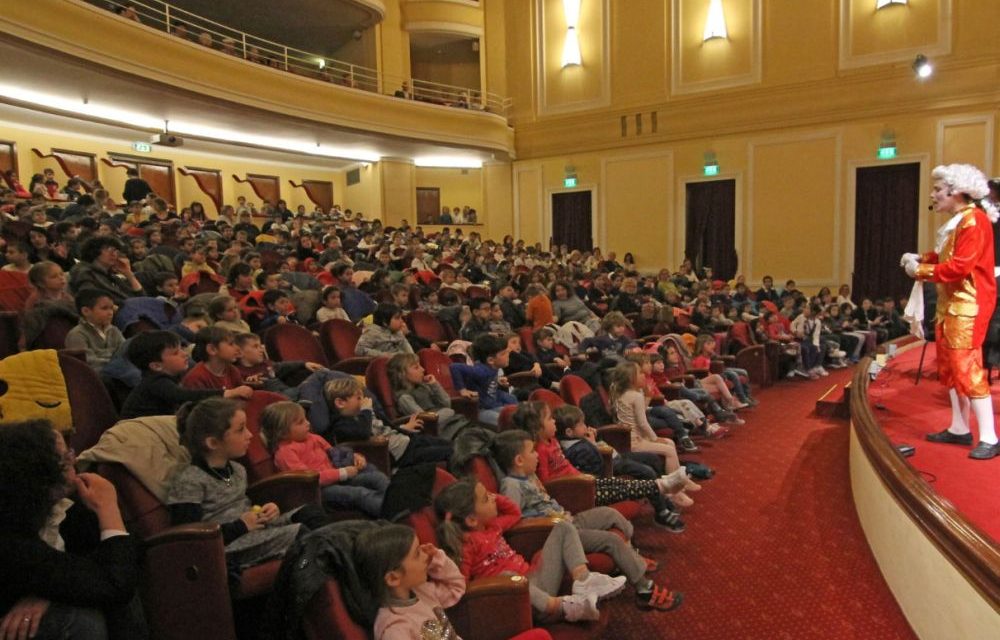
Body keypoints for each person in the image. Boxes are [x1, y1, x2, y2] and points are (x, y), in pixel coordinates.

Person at [494, 430, 683, 612]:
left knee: (611, 514)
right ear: (519, 460)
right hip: (554, 532)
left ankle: (631, 556)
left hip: (568, 518)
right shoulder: (511, 485)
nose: (536, 455)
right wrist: (551, 521)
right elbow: (515, 520)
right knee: (612, 540)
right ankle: (645, 590)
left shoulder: (529, 476)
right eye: (532, 452)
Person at [0, 420, 142, 640]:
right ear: (40, 477)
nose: (75, 460)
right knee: (81, 620)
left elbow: (124, 556)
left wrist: (53, 592)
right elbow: (115, 585)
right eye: (66, 459)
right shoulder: (11, 538)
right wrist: (108, 509)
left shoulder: (66, 507)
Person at [901, 163, 1000, 459]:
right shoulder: (960, 221)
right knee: (951, 367)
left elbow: (960, 266)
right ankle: (959, 428)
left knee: (966, 366)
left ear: (956, 191)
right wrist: (922, 258)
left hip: (967, 306)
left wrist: (919, 269)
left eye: (938, 190)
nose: (933, 195)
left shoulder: (974, 221)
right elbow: (949, 257)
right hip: (951, 306)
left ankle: (990, 436)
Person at [166, 399, 329, 570]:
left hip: (253, 531)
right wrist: (241, 526)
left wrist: (266, 509)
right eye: (240, 430)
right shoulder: (189, 480)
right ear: (213, 443)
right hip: (228, 546)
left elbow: (243, 506)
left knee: (311, 513)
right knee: (303, 534)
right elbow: (189, 539)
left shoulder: (237, 469)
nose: (250, 435)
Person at [434, 480, 624, 623]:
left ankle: (584, 580)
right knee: (508, 576)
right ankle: (563, 606)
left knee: (563, 527)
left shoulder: (492, 526)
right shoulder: (466, 546)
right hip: (522, 601)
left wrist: (490, 496)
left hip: (534, 579)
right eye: (486, 498)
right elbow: (462, 588)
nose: (493, 498)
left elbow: (514, 513)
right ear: (471, 520)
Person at [517, 401, 686, 530]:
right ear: (537, 427)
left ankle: (661, 486)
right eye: (549, 419)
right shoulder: (539, 449)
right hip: (574, 491)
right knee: (622, 487)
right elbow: (546, 481)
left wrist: (580, 475)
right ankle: (662, 486)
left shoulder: (552, 441)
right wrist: (578, 480)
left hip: (583, 480)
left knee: (620, 483)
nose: (553, 421)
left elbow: (566, 465)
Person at [261, 401, 389, 518]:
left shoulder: (313, 438)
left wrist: (354, 457)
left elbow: (336, 453)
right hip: (318, 492)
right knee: (359, 493)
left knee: (376, 477)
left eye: (305, 418)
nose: (308, 423)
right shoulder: (285, 452)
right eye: (300, 422)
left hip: (337, 479)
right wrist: (342, 473)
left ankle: (396, 502)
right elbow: (308, 479)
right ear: (282, 432)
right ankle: (390, 512)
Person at [606, 362, 699, 507]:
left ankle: (679, 483)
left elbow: (639, 417)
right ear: (631, 379)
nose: (644, 375)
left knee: (670, 443)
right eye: (640, 373)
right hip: (634, 441)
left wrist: (647, 395)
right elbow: (642, 423)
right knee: (668, 448)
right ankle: (673, 492)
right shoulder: (635, 395)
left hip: (629, 438)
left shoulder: (620, 392)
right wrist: (655, 439)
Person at [355, 524, 466, 640]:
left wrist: (436, 560)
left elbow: (456, 587)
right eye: (417, 553)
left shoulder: (422, 591)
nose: (425, 555)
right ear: (393, 578)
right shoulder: (395, 628)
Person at [325, 377, 453, 468]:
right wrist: (366, 411)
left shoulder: (366, 413)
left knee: (453, 444)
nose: (363, 400)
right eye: (358, 398)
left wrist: (404, 427)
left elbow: (385, 427)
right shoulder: (342, 424)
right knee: (450, 452)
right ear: (340, 403)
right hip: (401, 454)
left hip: (409, 440)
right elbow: (363, 433)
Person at [120, 330, 252, 419]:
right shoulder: (155, 382)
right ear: (156, 366)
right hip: (139, 432)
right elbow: (182, 396)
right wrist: (226, 393)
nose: (184, 354)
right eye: (176, 353)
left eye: (182, 349)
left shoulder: (171, 377)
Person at [388, 353, 471, 440]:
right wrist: (448, 412)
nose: (423, 369)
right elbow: (426, 420)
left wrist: (434, 385)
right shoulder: (404, 397)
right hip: (439, 431)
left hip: (452, 422)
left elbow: (446, 403)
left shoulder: (424, 386)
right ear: (402, 374)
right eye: (416, 367)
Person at [449, 334, 517, 425]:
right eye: (503, 353)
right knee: (506, 420)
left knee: (513, 401)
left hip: (493, 400)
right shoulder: (480, 371)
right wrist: (462, 390)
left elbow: (486, 381)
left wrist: (497, 381)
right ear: (491, 360)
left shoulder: (492, 366)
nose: (508, 354)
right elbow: (454, 367)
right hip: (481, 408)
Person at [64, 289, 124, 376]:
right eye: (104, 308)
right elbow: (88, 363)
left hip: (118, 372)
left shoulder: (114, 330)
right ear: (86, 311)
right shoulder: (77, 334)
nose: (110, 313)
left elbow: (126, 352)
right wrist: (116, 361)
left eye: (111, 308)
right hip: (94, 379)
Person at [181, 326, 244, 390]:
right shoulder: (196, 378)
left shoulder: (232, 370)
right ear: (212, 349)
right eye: (231, 344)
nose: (238, 348)